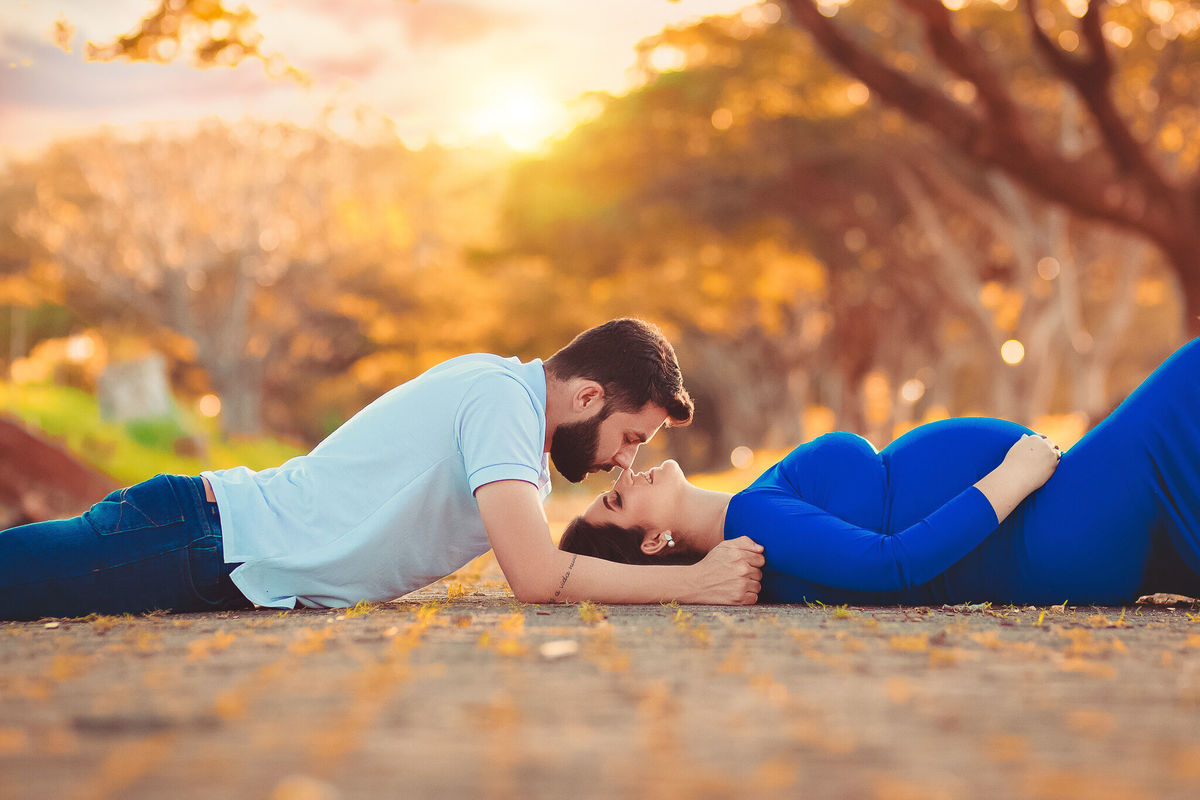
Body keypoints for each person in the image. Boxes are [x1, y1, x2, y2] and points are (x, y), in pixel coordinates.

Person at [0, 318, 764, 620]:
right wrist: (691, 584)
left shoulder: (515, 438)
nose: (625, 461)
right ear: (588, 395)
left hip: (214, 557)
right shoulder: (503, 399)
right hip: (193, 535)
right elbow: (537, 576)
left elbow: (552, 564)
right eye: (629, 437)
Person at [560, 337, 1200, 606]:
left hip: (1063, 527)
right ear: (655, 542)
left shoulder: (751, 514)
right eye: (615, 503)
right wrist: (1016, 474)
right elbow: (894, 565)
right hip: (1055, 531)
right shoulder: (752, 522)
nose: (621, 479)